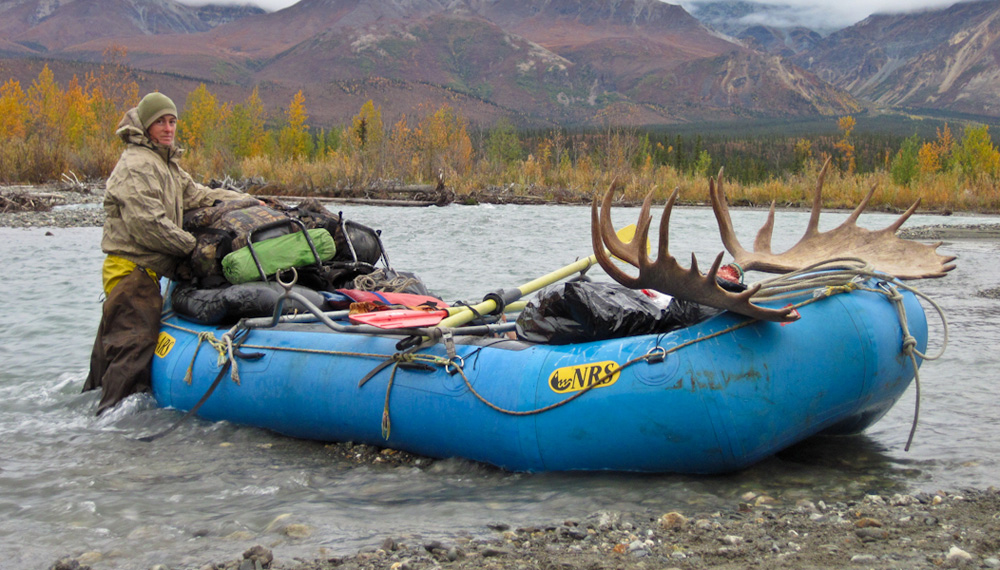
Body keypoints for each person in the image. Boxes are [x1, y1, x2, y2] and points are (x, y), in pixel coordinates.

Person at [83, 92, 251, 415]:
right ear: (146, 126)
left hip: (141, 274)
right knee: (133, 351)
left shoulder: (166, 164)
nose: (168, 127)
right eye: (160, 121)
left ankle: (92, 417)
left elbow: (200, 196)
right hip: (131, 274)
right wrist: (193, 249)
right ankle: (113, 429)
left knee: (109, 356)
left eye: (172, 121)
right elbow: (149, 225)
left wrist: (243, 200)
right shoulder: (137, 164)